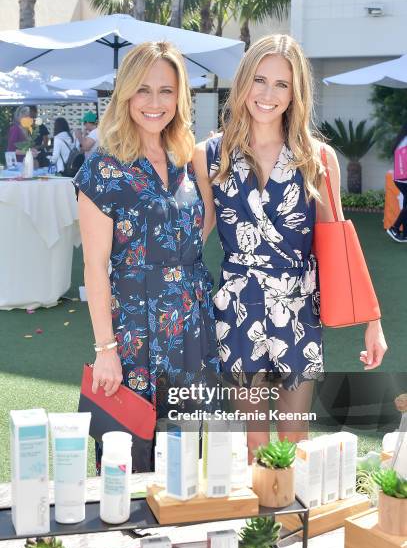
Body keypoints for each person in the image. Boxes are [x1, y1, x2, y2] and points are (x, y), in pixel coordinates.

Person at [193, 34, 388, 456]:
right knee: (252, 444)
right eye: (259, 80)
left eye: (282, 84)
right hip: (237, 309)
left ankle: (290, 522)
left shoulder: (318, 158)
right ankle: (259, 522)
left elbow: (338, 246)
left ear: (296, 91)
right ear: (243, 82)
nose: (268, 94)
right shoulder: (209, 154)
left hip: (299, 310)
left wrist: (372, 321)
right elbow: (197, 233)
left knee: (295, 442)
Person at [75, 41, 219, 473]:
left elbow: (201, 224)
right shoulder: (102, 169)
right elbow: (95, 266)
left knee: (185, 464)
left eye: (166, 91)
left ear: (181, 97)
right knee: (130, 463)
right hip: (135, 334)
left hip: (192, 328)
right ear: (125, 94)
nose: (155, 103)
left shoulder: (184, 157)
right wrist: (106, 349)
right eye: (143, 90)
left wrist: (178, 265)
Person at [387, 123, 407, 243]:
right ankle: (394, 227)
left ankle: (405, 233)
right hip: (404, 179)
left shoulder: (402, 139)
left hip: (399, 178)